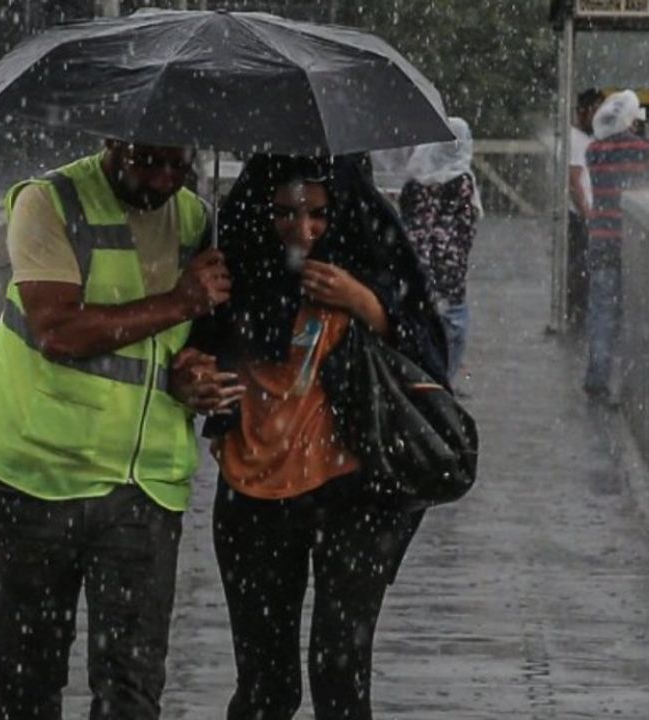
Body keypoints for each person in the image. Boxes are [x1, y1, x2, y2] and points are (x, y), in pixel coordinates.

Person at [0, 138, 239, 720]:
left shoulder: (197, 220)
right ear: (113, 142)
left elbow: (191, 348)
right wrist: (180, 301)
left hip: (146, 483)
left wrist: (193, 377)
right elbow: (58, 330)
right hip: (43, 470)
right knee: (26, 676)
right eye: (148, 162)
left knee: (132, 687)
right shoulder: (48, 203)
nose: (166, 178)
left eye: (178, 164)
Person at [188, 153, 448, 720]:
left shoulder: (373, 257)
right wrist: (196, 378)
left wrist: (366, 304)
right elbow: (197, 353)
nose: (301, 231)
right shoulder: (236, 268)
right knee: (265, 685)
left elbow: (429, 357)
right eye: (283, 213)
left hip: (357, 491)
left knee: (340, 672)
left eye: (318, 215)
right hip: (255, 490)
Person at [584, 90, 649, 402]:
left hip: (601, 239)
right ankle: (630, 383)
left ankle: (597, 374)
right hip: (634, 241)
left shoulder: (594, 150)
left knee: (603, 309)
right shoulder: (646, 149)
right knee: (636, 310)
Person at [398, 117, 482, 388]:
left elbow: (405, 221)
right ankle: (444, 380)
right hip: (450, 272)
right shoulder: (463, 182)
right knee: (453, 324)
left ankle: (424, 377)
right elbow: (467, 226)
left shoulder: (415, 181)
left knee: (420, 323)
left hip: (414, 269)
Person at [567, 89, 603, 329]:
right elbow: (574, 179)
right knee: (582, 264)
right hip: (583, 214)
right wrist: (587, 211)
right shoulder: (576, 139)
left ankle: (581, 310)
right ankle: (578, 311)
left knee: (586, 263)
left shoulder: (591, 139)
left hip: (591, 211)